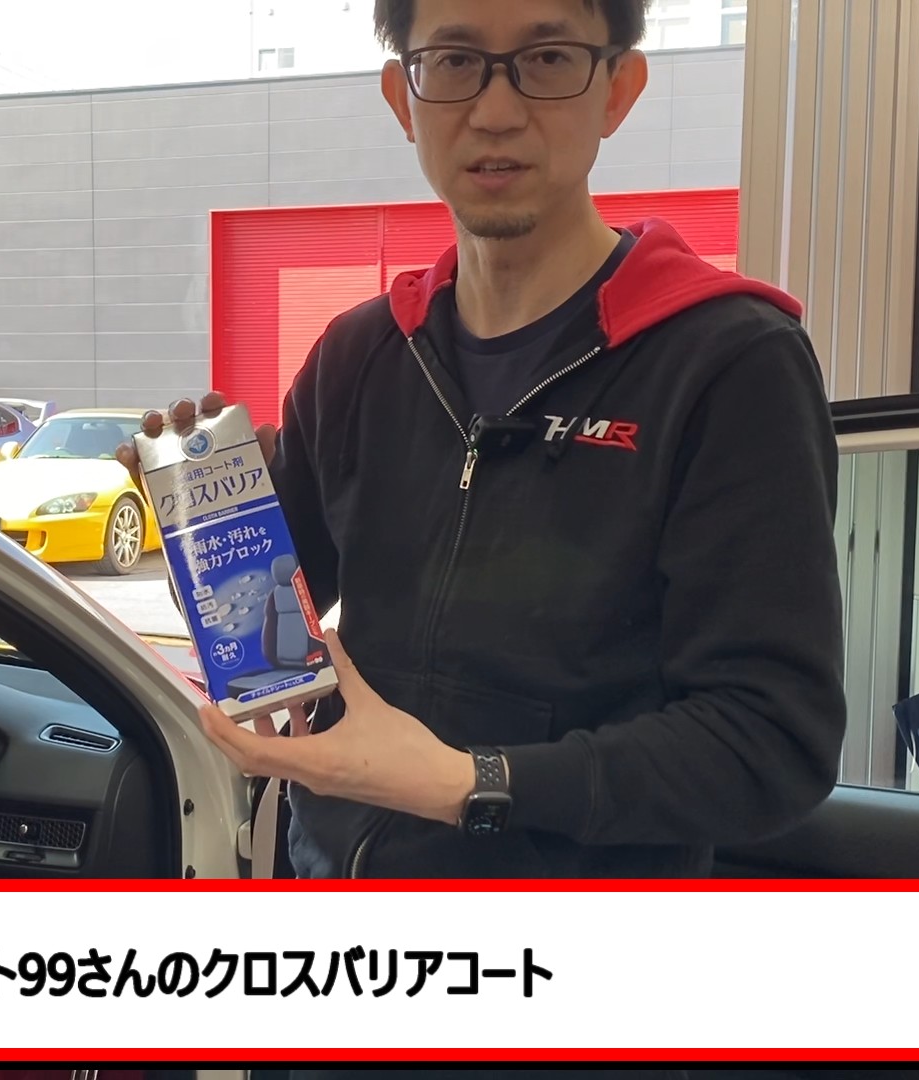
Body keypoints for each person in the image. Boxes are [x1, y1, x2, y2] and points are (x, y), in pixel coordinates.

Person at [119, 0, 845, 883]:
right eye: (456, 62)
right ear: (403, 97)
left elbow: (771, 740)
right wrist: (203, 525)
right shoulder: (358, 356)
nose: (496, 111)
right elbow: (268, 633)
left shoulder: (726, 364)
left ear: (619, 89)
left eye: (547, 59)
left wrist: (474, 784)